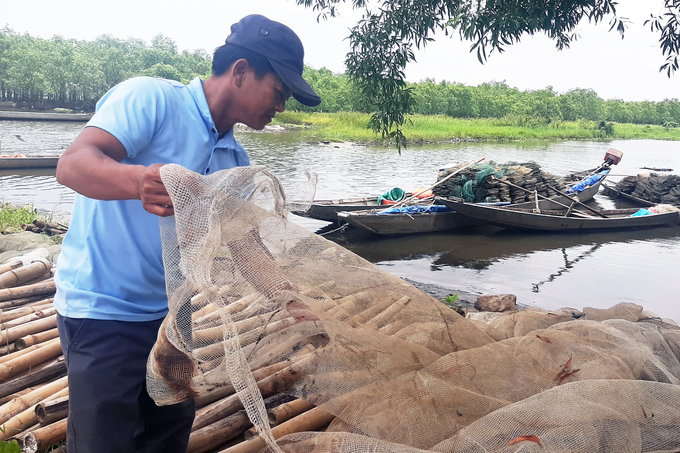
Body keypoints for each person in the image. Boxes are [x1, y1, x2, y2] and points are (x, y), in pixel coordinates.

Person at [54, 14, 320, 453]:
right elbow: (73, 165)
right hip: (104, 310)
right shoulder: (152, 98)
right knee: (106, 440)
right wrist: (137, 181)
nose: (281, 106)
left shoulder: (234, 156)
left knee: (168, 433)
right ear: (240, 72)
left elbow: (245, 245)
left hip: (173, 317)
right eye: (279, 91)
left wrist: (293, 302)